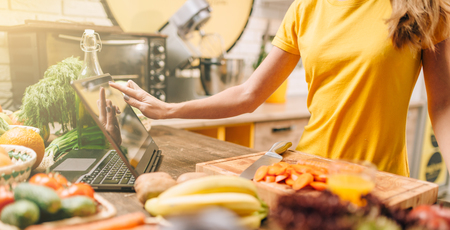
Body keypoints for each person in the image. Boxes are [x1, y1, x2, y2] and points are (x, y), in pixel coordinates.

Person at [109, 0, 450, 177]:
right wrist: (169, 110)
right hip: (309, 174)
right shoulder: (306, 8)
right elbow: (249, 94)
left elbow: (443, 107)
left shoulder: (421, 7)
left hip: (381, 179)